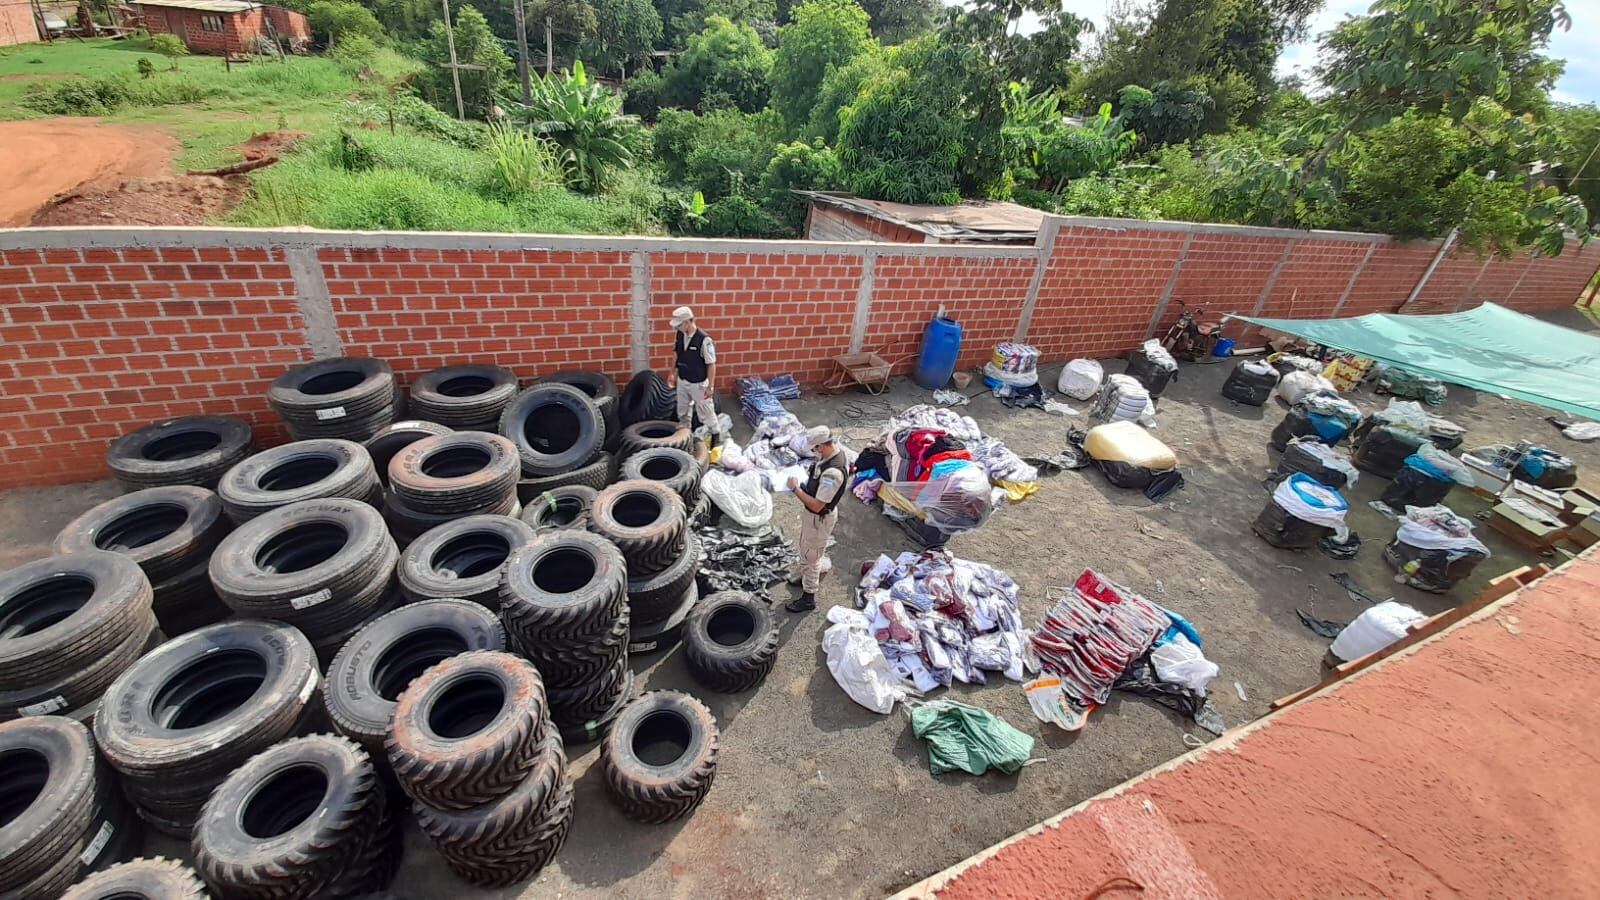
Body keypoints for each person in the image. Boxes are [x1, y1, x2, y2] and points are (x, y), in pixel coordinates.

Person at [785, 427, 847, 613]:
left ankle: (808, 597)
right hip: (816, 519)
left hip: (818, 518)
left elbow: (817, 506)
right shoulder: (833, 454)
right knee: (810, 549)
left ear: (822, 446)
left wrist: (795, 489)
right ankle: (808, 576)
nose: (814, 452)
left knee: (810, 557)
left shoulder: (832, 474)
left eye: (814, 449)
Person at [667, 306, 726, 446]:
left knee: (706, 412)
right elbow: (677, 352)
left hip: (698, 383)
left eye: (679, 324)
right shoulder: (680, 335)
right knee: (682, 410)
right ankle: (686, 434)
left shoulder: (704, 340)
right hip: (683, 379)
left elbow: (711, 364)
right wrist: (672, 373)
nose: (677, 328)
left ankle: (715, 435)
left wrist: (710, 387)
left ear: (687, 322)